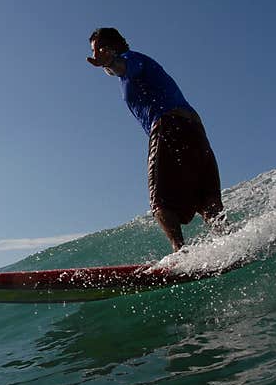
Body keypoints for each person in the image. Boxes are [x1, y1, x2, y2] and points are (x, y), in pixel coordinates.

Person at [87, 27, 225, 252]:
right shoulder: (140, 64)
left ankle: (180, 253)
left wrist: (110, 62)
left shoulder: (131, 60)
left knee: (160, 203)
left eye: (97, 50)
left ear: (109, 47)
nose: (95, 57)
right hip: (194, 128)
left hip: (169, 126)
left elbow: (123, 67)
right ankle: (230, 242)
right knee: (206, 200)